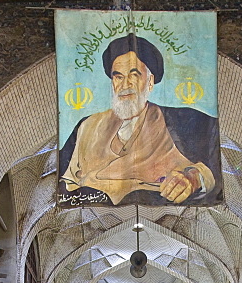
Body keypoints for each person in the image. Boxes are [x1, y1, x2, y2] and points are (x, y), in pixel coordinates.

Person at [58, 35, 222, 206]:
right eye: (118, 77)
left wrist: (192, 179)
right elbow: (60, 176)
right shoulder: (88, 126)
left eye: (134, 75)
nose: (125, 84)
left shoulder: (185, 121)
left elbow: (212, 166)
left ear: (150, 81)